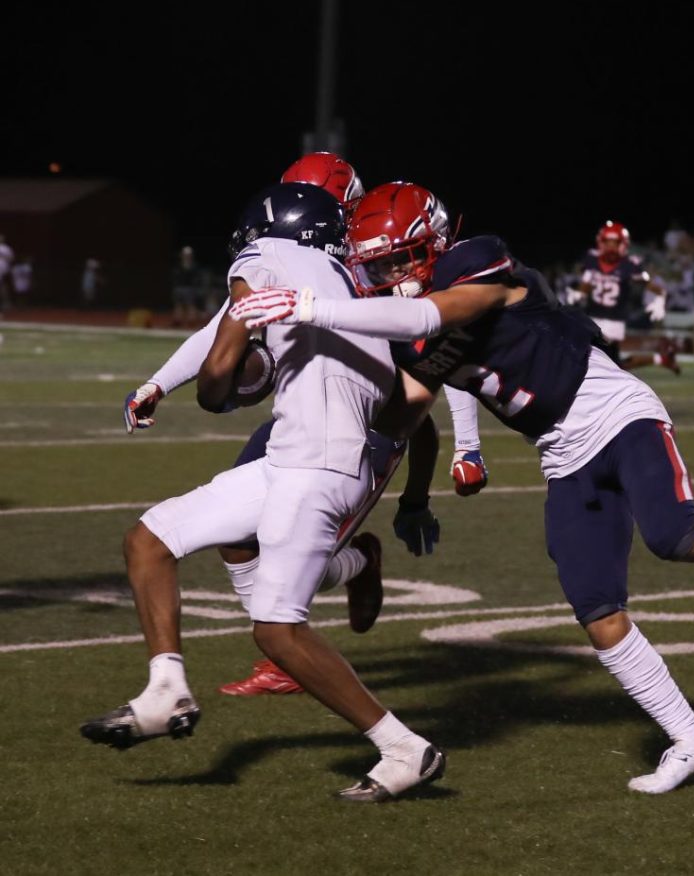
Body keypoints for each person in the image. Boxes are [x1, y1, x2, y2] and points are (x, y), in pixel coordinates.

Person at [231, 181, 694, 795]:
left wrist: (316, 307)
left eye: (394, 259)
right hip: (561, 452)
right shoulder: (410, 329)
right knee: (597, 610)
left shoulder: (474, 262)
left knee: (676, 536)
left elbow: (441, 311)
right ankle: (691, 738)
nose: (385, 274)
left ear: (430, 243)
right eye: (376, 265)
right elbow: (407, 408)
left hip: (616, 411)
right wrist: (326, 423)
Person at [81, 183, 447, 803]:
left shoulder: (264, 260)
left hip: (319, 466)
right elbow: (403, 398)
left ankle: (405, 748)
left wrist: (215, 385)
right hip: (297, 455)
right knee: (150, 539)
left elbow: (226, 352)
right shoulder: (354, 283)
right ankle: (166, 688)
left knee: (277, 630)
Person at [122, 153, 469, 697]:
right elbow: (225, 322)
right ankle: (309, 615)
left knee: (293, 561)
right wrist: (160, 382)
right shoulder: (314, 256)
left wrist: (457, 456)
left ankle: (317, 615)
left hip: (372, 429)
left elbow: (442, 365)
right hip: (307, 415)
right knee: (237, 541)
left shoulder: (383, 252)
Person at [573, 221, 678, 374]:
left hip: (612, 323)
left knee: (599, 364)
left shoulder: (629, 264)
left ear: (623, 244)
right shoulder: (592, 259)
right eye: (607, 242)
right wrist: (577, 295)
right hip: (592, 319)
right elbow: (585, 286)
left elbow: (651, 285)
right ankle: (662, 359)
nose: (610, 247)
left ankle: (661, 359)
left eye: (614, 243)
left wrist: (661, 298)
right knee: (613, 364)